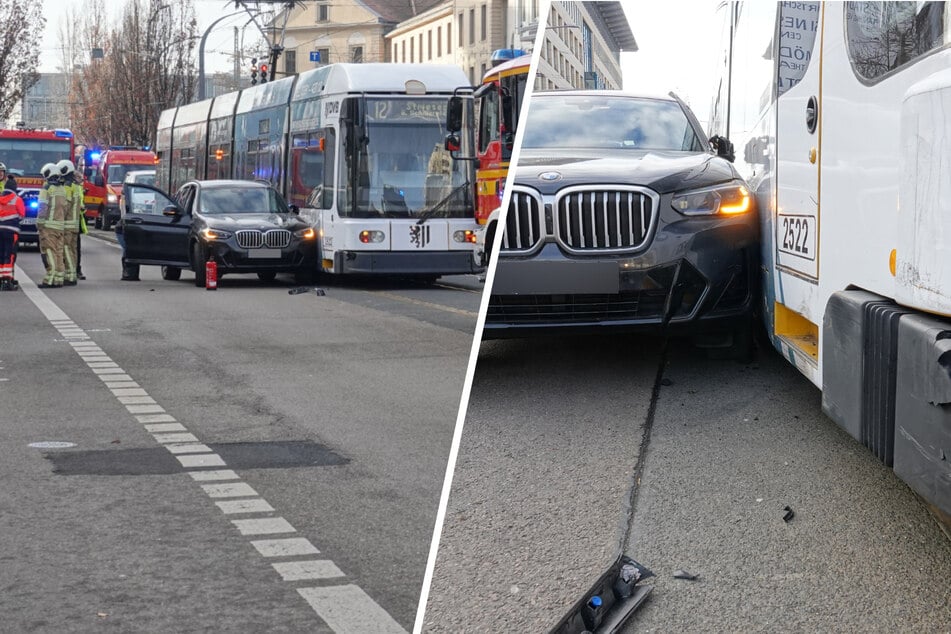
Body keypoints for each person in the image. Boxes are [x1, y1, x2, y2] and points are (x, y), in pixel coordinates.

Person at [36, 162, 66, 288]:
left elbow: (42, 207)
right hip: (60, 226)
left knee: (49, 251)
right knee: (59, 252)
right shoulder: (62, 189)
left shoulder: (46, 189)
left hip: (48, 226)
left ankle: (50, 278)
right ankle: (59, 278)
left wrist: (39, 222)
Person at [56, 160, 81, 285]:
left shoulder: (67, 187)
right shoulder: (76, 186)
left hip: (67, 225)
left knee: (66, 249)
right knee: (72, 250)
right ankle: (72, 273)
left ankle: (70, 275)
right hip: (74, 224)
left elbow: (65, 206)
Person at [0, 184, 25, 290]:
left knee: (0, 255)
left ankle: (1, 278)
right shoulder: (17, 199)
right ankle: (7, 280)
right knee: (9, 255)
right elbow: (22, 214)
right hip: (12, 231)